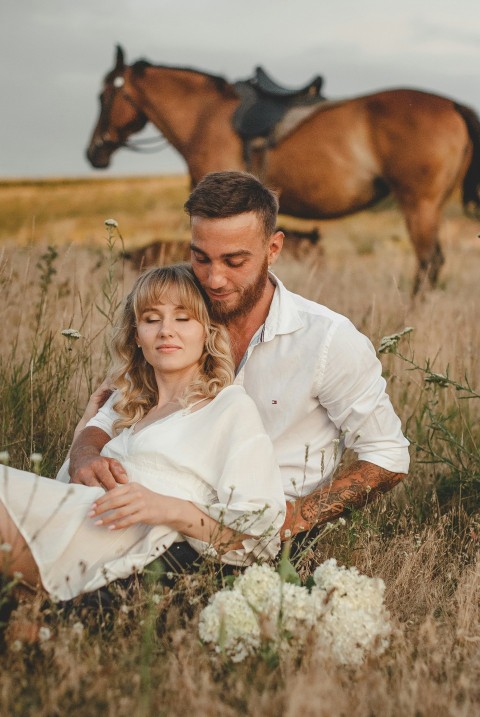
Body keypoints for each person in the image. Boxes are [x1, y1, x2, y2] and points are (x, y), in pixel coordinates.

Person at [68, 171, 409, 548]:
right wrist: (83, 456)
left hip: (254, 540)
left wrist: (296, 517)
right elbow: (114, 410)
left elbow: (388, 454)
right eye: (201, 258)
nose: (214, 279)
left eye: (234, 261)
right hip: (153, 520)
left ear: (273, 249)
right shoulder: (183, 316)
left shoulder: (327, 339)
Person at [0, 265, 285, 601]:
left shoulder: (228, 407)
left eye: (183, 318)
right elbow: (92, 433)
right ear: (137, 335)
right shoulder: (129, 399)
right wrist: (85, 449)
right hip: (80, 513)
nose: (166, 330)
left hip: (133, 538)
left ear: (207, 331)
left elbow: (261, 534)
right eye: (151, 319)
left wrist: (166, 508)